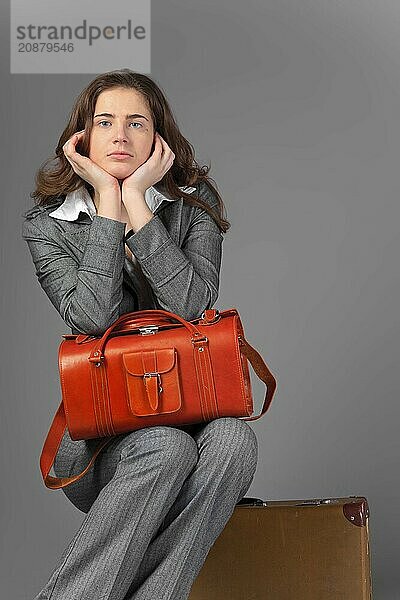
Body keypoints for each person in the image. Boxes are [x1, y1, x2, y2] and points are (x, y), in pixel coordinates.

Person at [21, 69, 259, 600]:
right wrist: (109, 200)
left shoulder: (194, 208)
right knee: (163, 447)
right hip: (98, 445)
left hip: (192, 419)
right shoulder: (49, 224)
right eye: (106, 123)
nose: (121, 136)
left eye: (137, 123)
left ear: (159, 138)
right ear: (83, 138)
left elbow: (193, 307)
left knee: (235, 441)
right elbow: (91, 319)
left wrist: (141, 207)